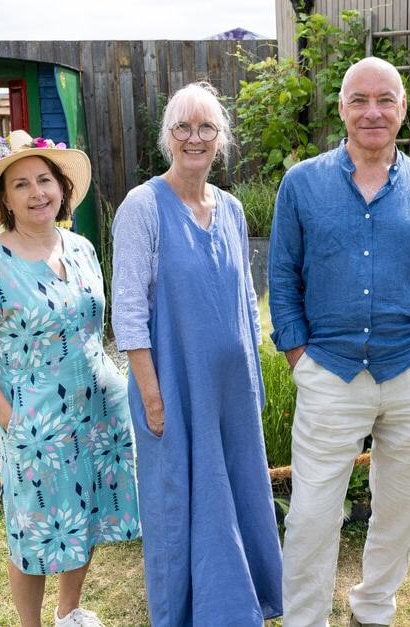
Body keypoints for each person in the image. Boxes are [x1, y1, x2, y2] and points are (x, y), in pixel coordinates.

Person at [269, 56, 410, 627]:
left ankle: (374, 609)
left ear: (403, 109)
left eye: (385, 99)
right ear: (341, 109)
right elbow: (282, 278)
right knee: (311, 511)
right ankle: (304, 619)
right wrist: (298, 355)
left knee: (398, 506)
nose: (373, 111)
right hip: (328, 371)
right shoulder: (302, 184)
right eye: (359, 100)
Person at [111, 81, 282, 625]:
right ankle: (187, 611)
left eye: (206, 127)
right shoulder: (143, 206)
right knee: (178, 501)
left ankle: (244, 602)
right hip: (174, 390)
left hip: (231, 392)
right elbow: (129, 313)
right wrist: (152, 396)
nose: (194, 137)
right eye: (183, 127)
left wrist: (252, 381)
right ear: (167, 137)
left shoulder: (231, 209)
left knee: (236, 489)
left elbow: (244, 305)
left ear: (220, 139)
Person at [0, 130, 140, 627]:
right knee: (34, 529)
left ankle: (69, 612)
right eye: (21, 184)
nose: (37, 192)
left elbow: (95, 327)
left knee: (83, 517)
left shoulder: (82, 248)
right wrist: (10, 418)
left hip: (100, 408)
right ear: (5, 199)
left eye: (45, 180)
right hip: (35, 422)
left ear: (62, 188)